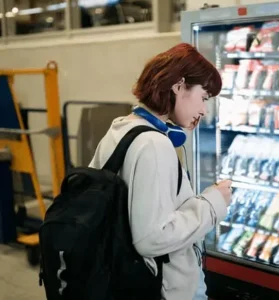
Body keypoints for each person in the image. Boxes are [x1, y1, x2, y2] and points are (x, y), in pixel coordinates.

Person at [88, 43, 232, 299]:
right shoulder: (154, 144)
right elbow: (151, 238)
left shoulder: (121, 129)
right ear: (178, 86)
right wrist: (212, 205)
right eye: (204, 97)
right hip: (163, 289)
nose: (204, 110)